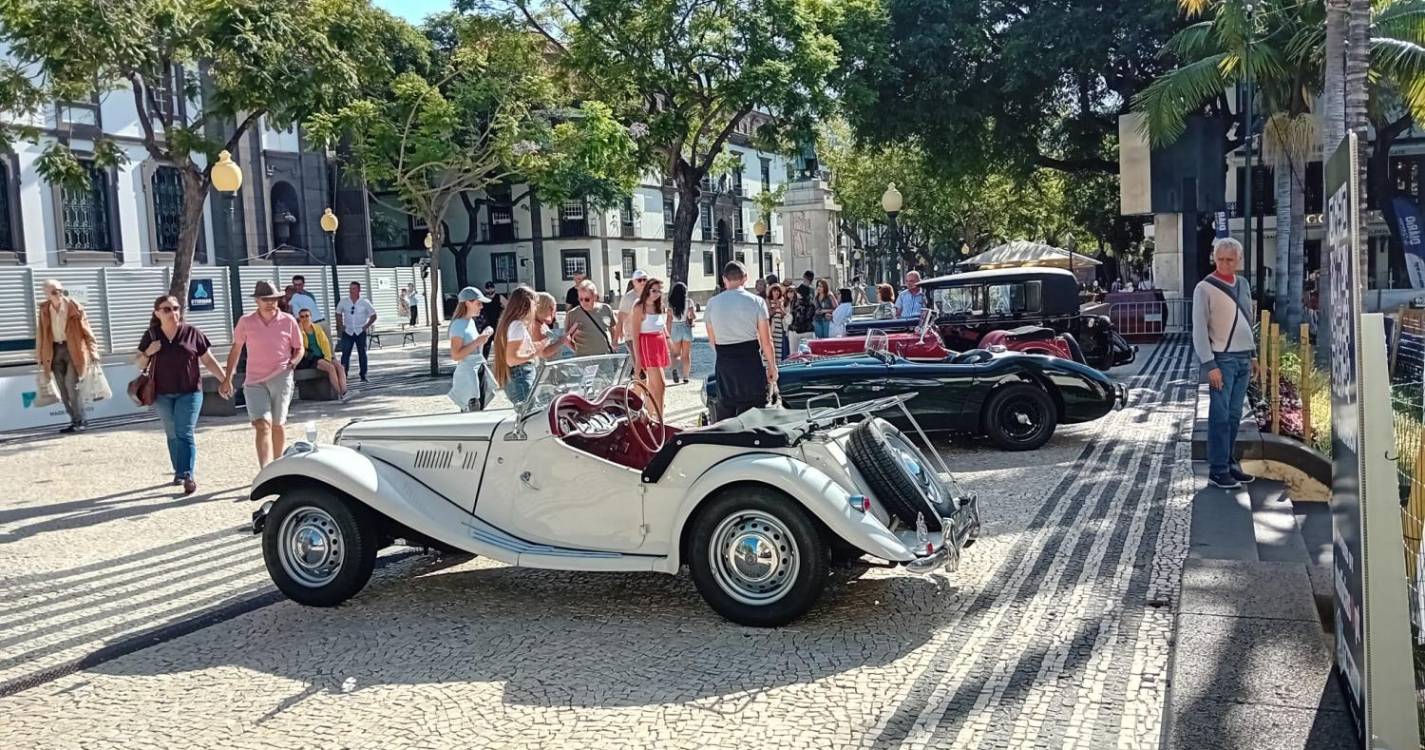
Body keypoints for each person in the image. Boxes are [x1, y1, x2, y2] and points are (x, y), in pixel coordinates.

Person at [136, 295, 228, 495]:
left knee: (184, 431)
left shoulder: (192, 333)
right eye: (167, 309)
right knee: (172, 433)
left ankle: (187, 474)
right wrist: (148, 353)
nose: (173, 313)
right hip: (162, 393)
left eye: (176, 308)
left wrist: (224, 379)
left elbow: (208, 360)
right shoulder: (151, 335)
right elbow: (139, 364)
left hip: (190, 391)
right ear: (157, 313)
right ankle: (179, 471)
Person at [1192, 237, 1257, 490]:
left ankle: (1228, 464)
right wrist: (1210, 365)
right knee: (1219, 416)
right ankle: (1217, 470)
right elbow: (1199, 330)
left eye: (1230, 259)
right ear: (1214, 258)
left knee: (1233, 416)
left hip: (1242, 358)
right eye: (1220, 259)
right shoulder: (1204, 288)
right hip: (1222, 359)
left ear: (1239, 260)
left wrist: (1253, 355)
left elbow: (1248, 320)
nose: (1225, 263)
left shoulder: (1242, 284)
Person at [221, 281, 303, 468]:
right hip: (254, 379)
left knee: (277, 423)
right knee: (261, 424)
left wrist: (293, 362)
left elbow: (299, 348)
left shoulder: (288, 320)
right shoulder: (246, 321)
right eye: (265, 299)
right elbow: (236, 349)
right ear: (257, 300)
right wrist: (228, 378)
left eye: (274, 299)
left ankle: (278, 465)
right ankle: (265, 469)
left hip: (281, 375)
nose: (270, 303)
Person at [705, 262, 778, 422]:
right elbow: (766, 340)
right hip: (750, 360)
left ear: (725, 279)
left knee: (726, 414)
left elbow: (712, 339)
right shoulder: (757, 302)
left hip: (725, 361)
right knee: (753, 414)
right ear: (745, 278)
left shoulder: (712, 303)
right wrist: (772, 366)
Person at [492, 286, 578, 405]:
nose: (536, 307)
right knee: (530, 416)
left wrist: (538, 345)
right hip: (520, 376)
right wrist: (534, 353)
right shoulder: (517, 325)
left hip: (519, 376)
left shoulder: (511, 323)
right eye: (535, 303)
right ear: (527, 304)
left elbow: (516, 350)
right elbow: (511, 359)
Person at [35, 279, 99, 434]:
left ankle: (81, 420)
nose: (58, 294)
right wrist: (39, 356)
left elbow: (87, 330)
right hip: (53, 350)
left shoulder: (74, 307)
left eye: (60, 290)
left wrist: (94, 351)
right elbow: (41, 334)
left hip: (73, 349)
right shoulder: (44, 310)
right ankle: (74, 420)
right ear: (47, 294)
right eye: (54, 292)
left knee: (71, 386)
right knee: (62, 390)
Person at [448, 286, 496, 412]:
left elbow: (475, 345)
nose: (481, 307)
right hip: (469, 374)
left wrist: (483, 336)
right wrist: (478, 341)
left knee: (478, 410)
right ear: (468, 303)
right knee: (472, 412)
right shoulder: (458, 325)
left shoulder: (470, 322)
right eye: (478, 303)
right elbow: (456, 355)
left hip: (477, 370)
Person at [629, 278, 671, 412]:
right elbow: (635, 335)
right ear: (647, 290)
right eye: (653, 290)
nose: (656, 294)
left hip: (658, 346)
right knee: (660, 385)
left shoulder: (657, 306)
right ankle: (659, 419)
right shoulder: (639, 307)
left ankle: (654, 417)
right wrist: (638, 360)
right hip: (647, 346)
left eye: (659, 291)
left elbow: (661, 328)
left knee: (655, 387)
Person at [295, 308, 347, 400]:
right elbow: (300, 346)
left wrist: (328, 357)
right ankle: (340, 394)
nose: (305, 318)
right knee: (330, 368)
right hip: (310, 359)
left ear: (311, 317)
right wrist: (300, 329)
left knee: (340, 367)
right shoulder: (299, 332)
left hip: (323, 355)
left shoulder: (317, 328)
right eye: (302, 317)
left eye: (307, 316)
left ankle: (344, 391)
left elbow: (325, 343)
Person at [336, 281, 377, 383]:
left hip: (360, 330)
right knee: (345, 353)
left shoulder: (364, 302)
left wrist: (366, 326)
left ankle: (363, 374)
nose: (351, 291)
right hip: (348, 330)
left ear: (359, 290)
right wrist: (341, 325)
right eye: (350, 288)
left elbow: (373, 315)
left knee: (362, 353)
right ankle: (344, 375)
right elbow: (338, 313)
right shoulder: (344, 301)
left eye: (354, 288)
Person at [566, 280, 618, 357]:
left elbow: (613, 327)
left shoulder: (606, 308)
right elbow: (566, 339)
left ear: (595, 297)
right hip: (584, 360)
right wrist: (578, 351)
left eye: (587, 299)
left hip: (606, 357)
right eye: (580, 299)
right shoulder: (572, 314)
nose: (583, 302)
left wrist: (614, 343)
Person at [667, 281, 695, 384]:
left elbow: (669, 320)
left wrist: (668, 334)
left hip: (675, 327)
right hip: (686, 327)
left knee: (675, 354)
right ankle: (686, 377)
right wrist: (691, 319)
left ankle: (674, 369)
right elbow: (692, 316)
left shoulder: (671, 303)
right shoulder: (689, 301)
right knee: (686, 354)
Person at [617, 270, 649, 352]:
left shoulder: (651, 295)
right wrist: (619, 332)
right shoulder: (628, 297)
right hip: (632, 337)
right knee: (638, 363)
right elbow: (620, 316)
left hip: (648, 335)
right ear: (634, 282)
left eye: (644, 280)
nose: (642, 282)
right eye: (639, 280)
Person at [787, 282, 816, 355]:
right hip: (808, 330)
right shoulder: (811, 304)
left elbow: (797, 318)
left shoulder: (795, 303)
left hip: (795, 330)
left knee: (794, 353)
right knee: (810, 353)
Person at [765, 283, 790, 360]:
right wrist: (776, 307)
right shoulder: (768, 301)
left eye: (778, 291)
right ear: (771, 292)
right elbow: (768, 314)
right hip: (771, 329)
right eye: (775, 290)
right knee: (770, 348)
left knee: (778, 350)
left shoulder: (781, 301)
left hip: (779, 329)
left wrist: (780, 307)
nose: (777, 292)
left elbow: (783, 315)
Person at [481, 282, 505, 359]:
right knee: (485, 348)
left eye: (491, 288)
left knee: (500, 347)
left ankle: (503, 364)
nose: (490, 290)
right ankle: (482, 366)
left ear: (494, 288)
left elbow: (508, 306)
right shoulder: (483, 299)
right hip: (486, 326)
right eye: (488, 288)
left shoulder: (499, 297)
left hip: (497, 325)